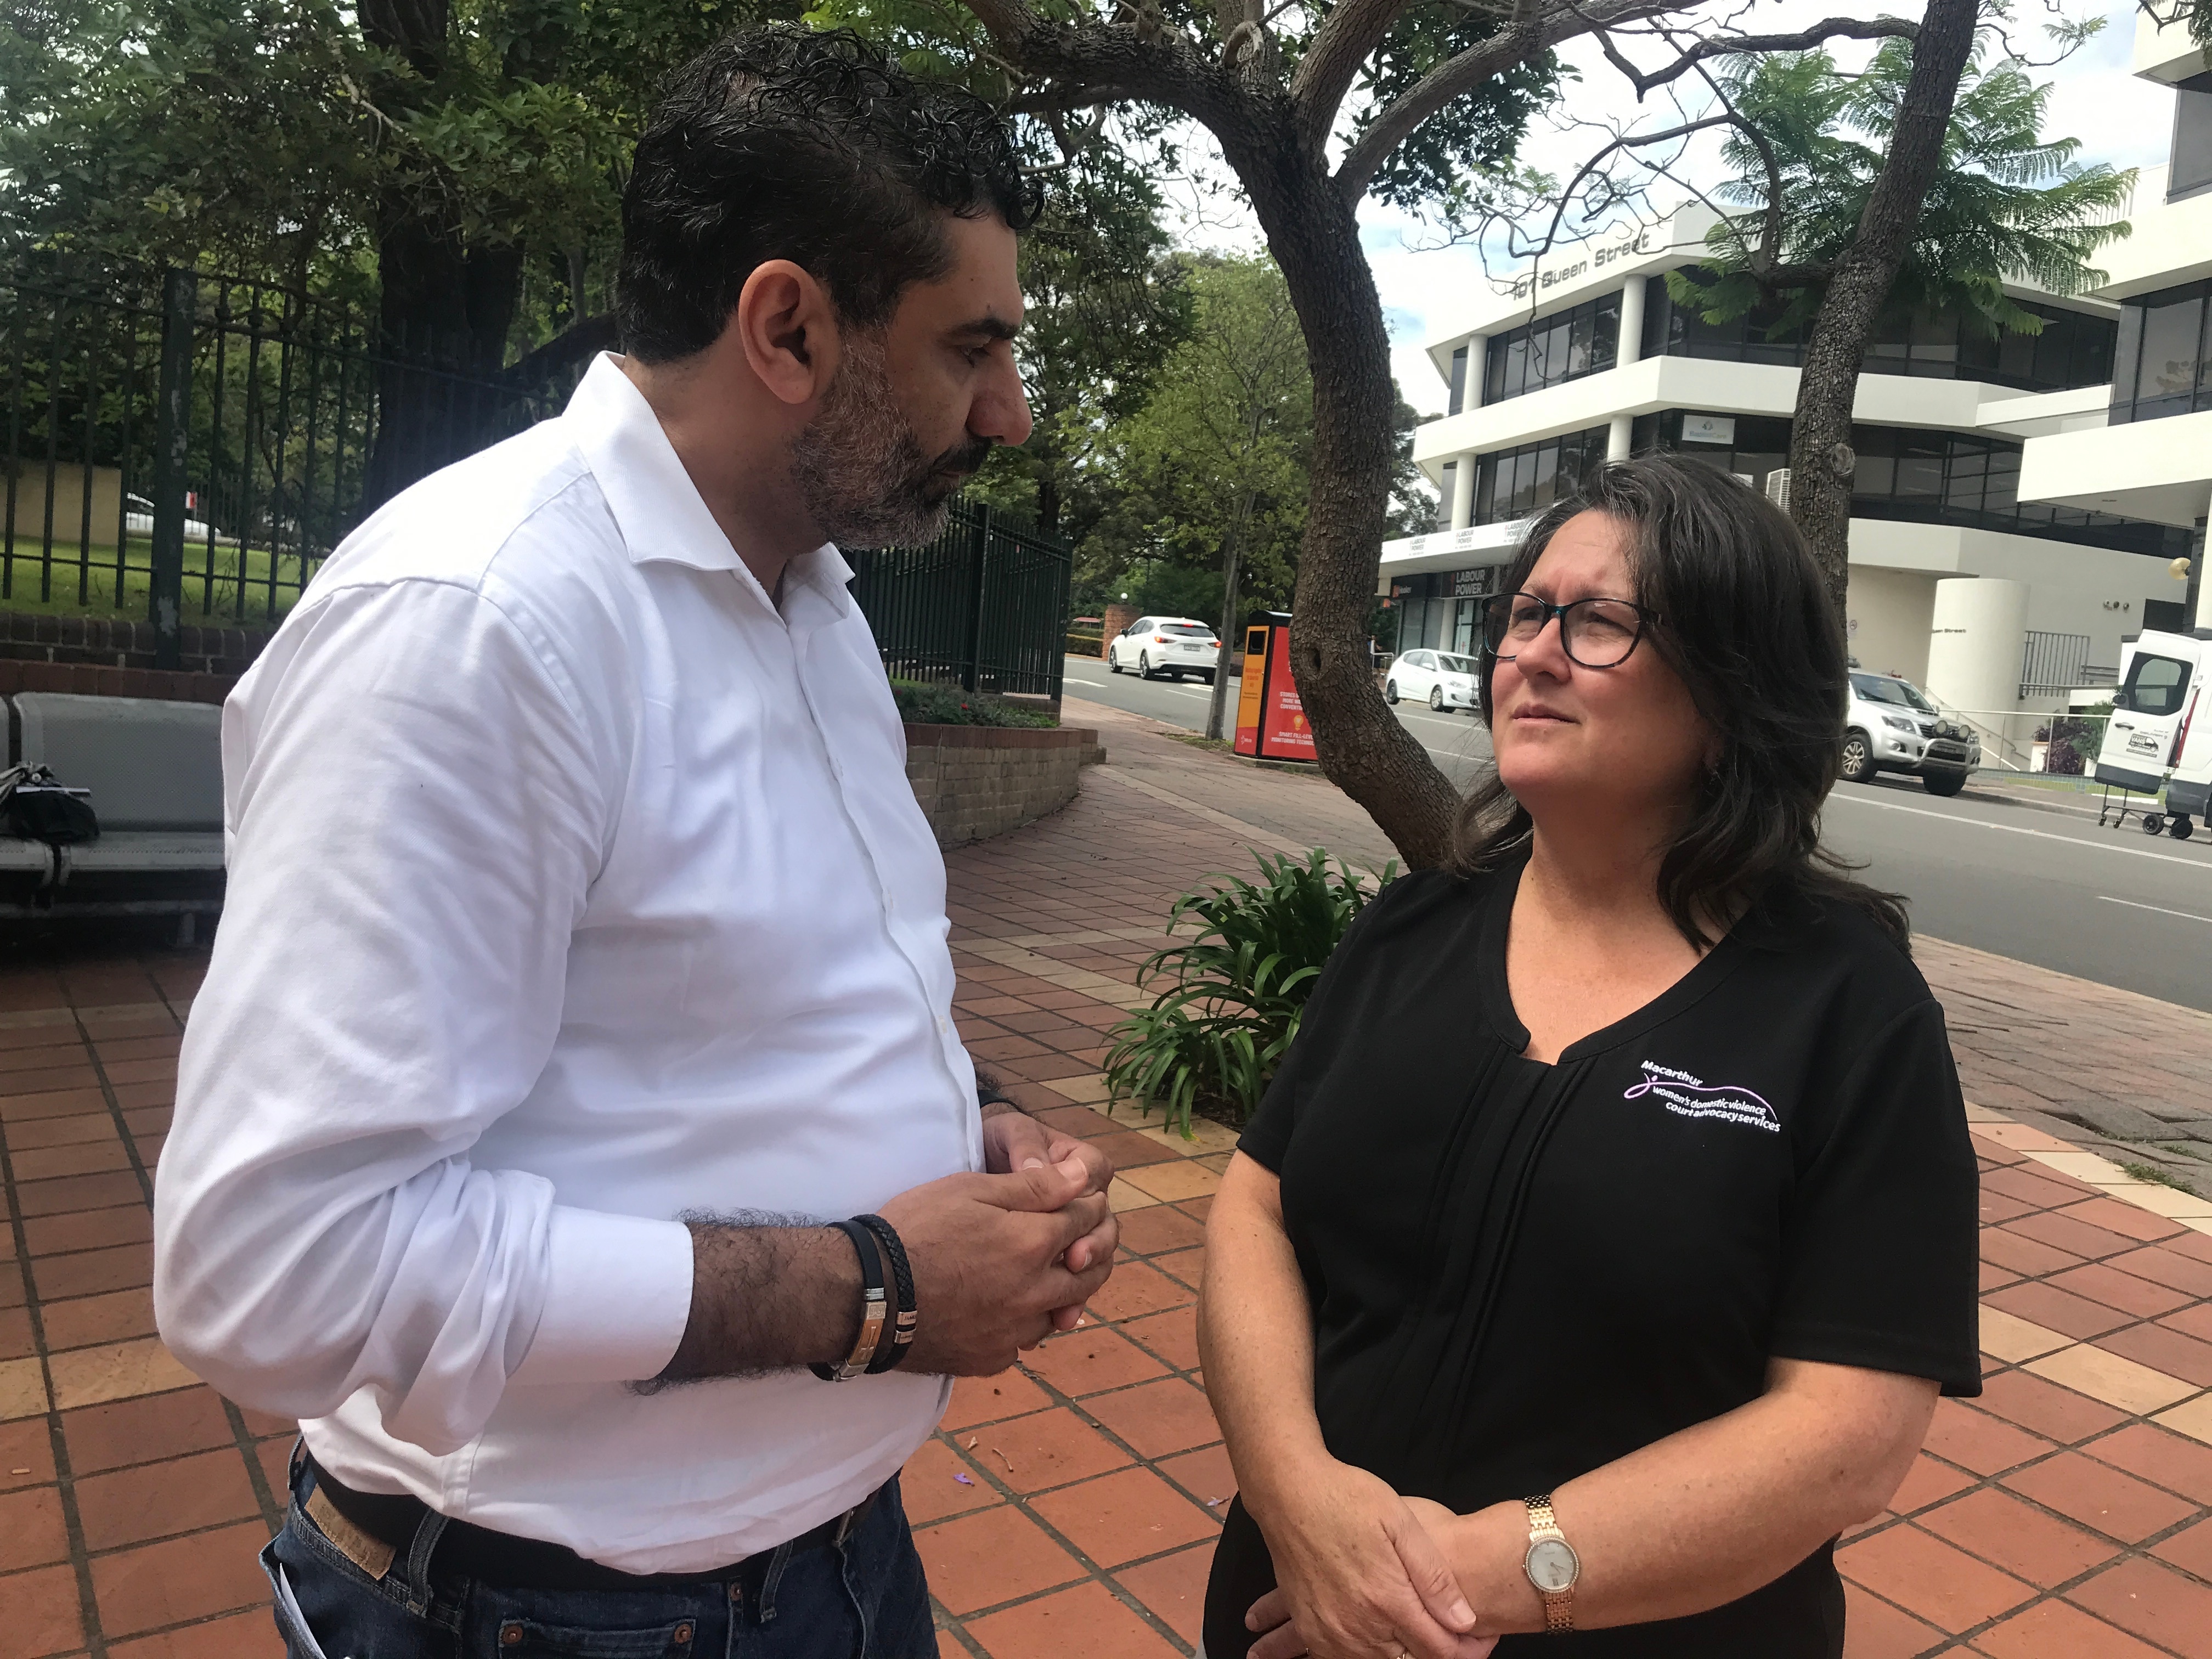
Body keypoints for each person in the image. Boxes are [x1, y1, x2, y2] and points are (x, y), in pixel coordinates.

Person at [152, 27, 1116, 1659]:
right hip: (549, 1614)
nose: (1010, 416)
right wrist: (874, 1284)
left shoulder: (809, 595)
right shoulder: (478, 626)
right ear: (790, 327)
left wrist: (980, 1124)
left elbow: (765, 1003)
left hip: (832, 1562)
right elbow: (270, 1265)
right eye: (973, 348)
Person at [1199, 456, 1980, 1659]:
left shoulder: (1851, 1016)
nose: (1534, 654)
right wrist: (1300, 1501)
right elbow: (1259, 1206)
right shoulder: (1414, 929)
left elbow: (1847, 1434)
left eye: (1600, 622)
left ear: (1734, 688)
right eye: (1524, 615)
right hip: (1296, 1607)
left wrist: (1455, 1585)